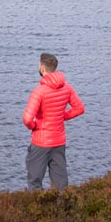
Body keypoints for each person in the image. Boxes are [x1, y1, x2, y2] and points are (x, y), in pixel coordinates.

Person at [21, 52, 85, 190]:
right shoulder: (67, 87)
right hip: (59, 141)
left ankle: (39, 210)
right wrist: (63, 116)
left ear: (42, 68)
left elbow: (27, 119)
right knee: (60, 184)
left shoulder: (39, 91)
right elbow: (79, 108)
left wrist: (34, 125)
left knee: (35, 181)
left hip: (41, 142)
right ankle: (62, 209)